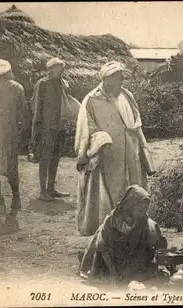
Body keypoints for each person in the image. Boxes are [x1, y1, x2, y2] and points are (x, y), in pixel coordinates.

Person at [75, 61, 154, 236]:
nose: (123, 80)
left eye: (122, 76)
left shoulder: (127, 95)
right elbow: (86, 129)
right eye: (119, 77)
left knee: (132, 187)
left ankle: (133, 226)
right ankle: (107, 229)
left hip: (130, 152)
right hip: (108, 155)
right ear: (107, 79)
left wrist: (141, 148)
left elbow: (136, 124)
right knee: (107, 194)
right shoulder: (91, 100)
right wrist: (100, 141)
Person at [78, 185, 168, 284]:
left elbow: (158, 242)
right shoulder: (112, 221)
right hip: (108, 257)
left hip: (129, 256)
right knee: (105, 278)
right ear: (129, 206)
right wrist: (113, 272)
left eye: (146, 209)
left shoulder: (145, 221)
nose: (143, 212)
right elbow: (103, 247)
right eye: (140, 210)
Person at [29, 57, 72, 202]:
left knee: (56, 157)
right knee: (45, 158)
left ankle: (51, 188)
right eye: (58, 67)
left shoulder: (63, 84)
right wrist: (37, 127)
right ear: (51, 69)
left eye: (62, 67)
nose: (61, 70)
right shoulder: (42, 84)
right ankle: (42, 191)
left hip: (60, 126)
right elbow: (36, 106)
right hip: (47, 126)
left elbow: (67, 102)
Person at [0, 59, 27, 224]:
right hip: (10, 134)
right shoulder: (17, 88)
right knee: (12, 167)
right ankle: (16, 198)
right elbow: (22, 114)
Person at [76, 131, 114, 236]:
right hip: (93, 180)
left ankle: (96, 225)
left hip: (97, 180)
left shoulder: (98, 155)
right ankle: (92, 225)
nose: (107, 149)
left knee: (97, 201)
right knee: (93, 200)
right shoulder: (96, 156)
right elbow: (90, 167)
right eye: (105, 147)